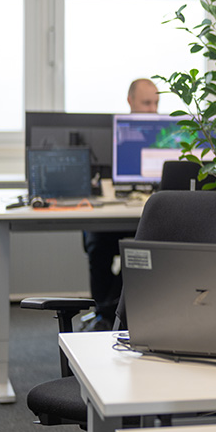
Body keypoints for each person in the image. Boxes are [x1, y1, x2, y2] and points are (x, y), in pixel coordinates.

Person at [82, 77, 160, 330]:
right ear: (130, 101)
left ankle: (110, 313)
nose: (152, 110)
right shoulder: (115, 135)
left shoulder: (166, 134)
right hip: (112, 216)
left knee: (142, 249)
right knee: (97, 244)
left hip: (144, 216)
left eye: (156, 104)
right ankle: (105, 314)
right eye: (146, 103)